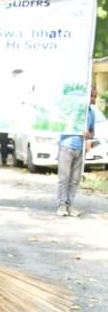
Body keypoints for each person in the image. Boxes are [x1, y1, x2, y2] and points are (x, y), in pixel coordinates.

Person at [56, 86, 97, 217]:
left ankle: (70, 205)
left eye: (95, 97)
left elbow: (92, 131)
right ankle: (61, 205)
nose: (93, 99)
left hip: (80, 148)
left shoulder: (91, 113)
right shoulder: (72, 110)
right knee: (64, 178)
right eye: (91, 96)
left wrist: (88, 136)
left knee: (75, 179)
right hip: (66, 146)